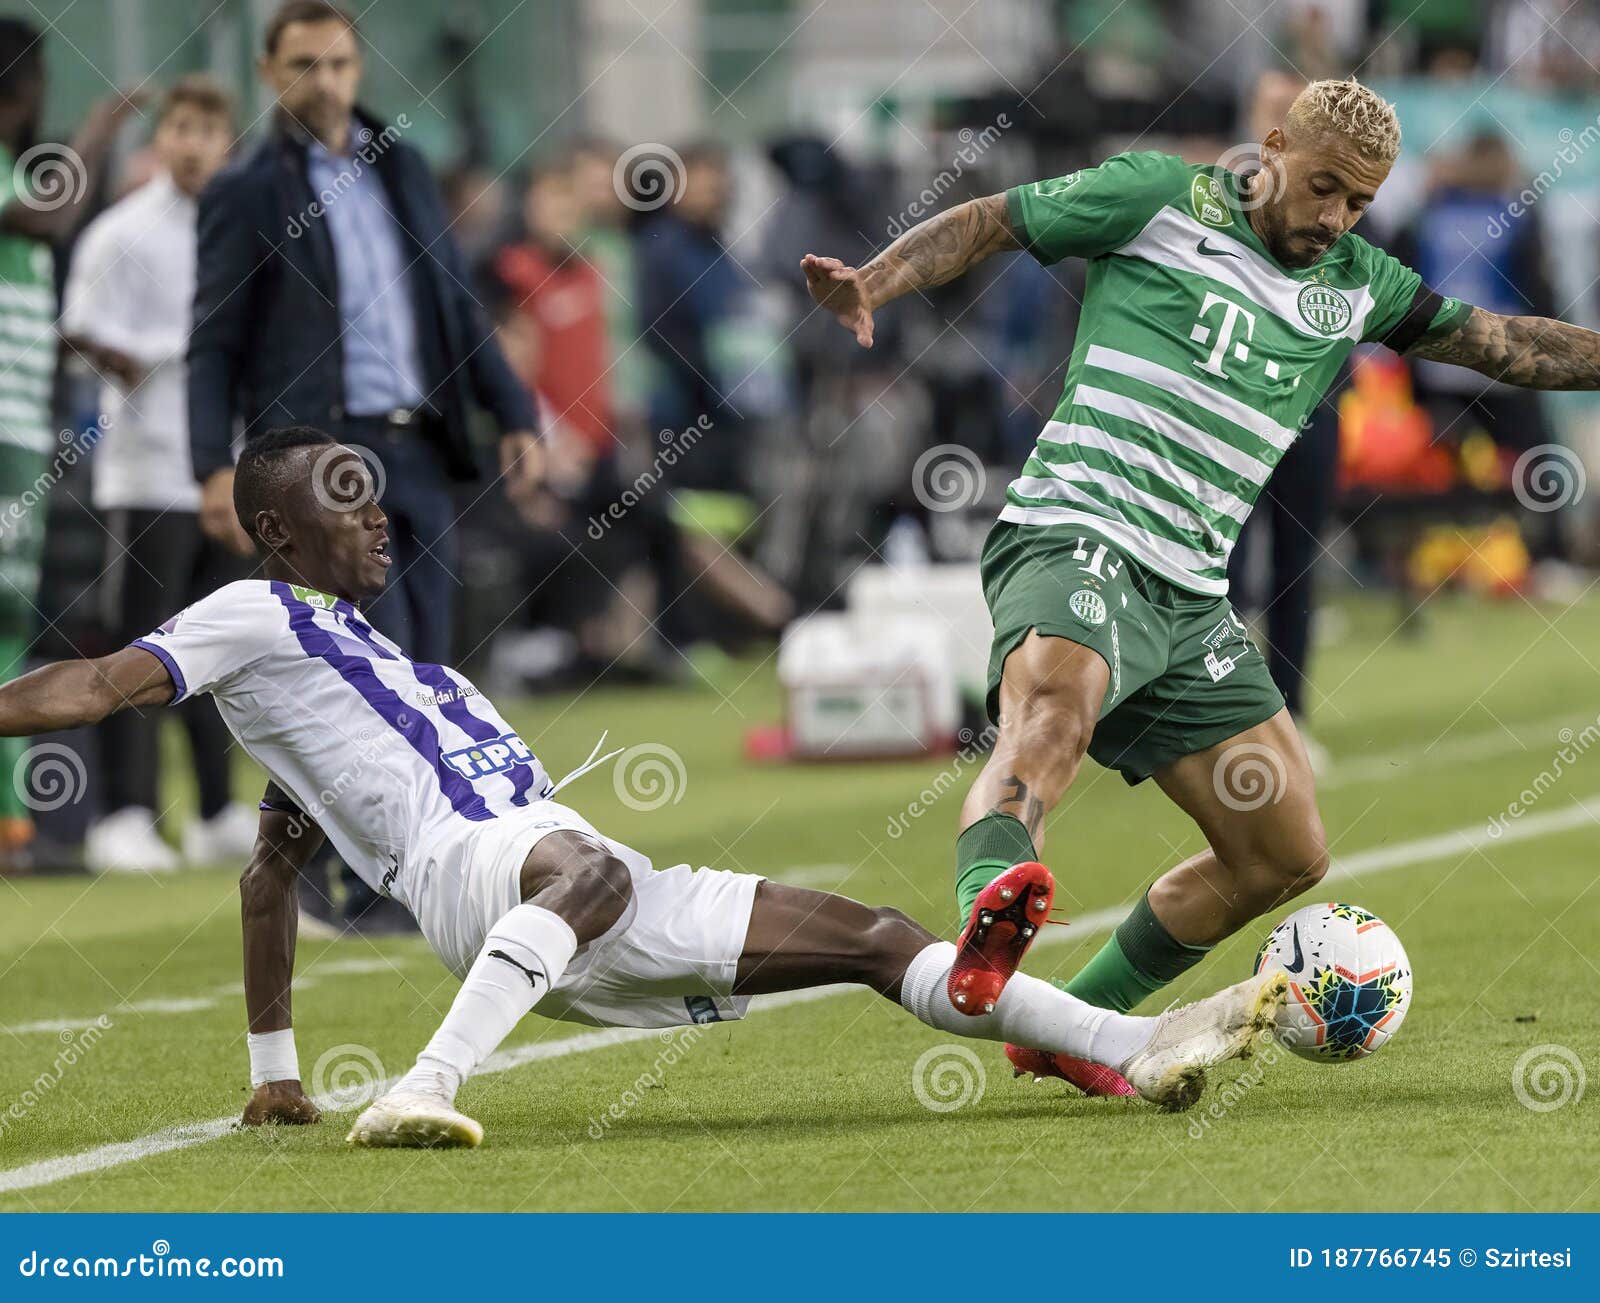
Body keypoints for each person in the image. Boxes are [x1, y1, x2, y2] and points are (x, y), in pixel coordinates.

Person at [0, 427, 1287, 1145]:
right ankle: (422, 1088)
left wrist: (274, 1066)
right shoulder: (250, 613)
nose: (379, 522)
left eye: (379, 498)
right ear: (277, 534)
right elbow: (102, 684)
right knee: (590, 866)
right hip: (494, 869)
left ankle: (1138, 1043)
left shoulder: (364, 676)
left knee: (875, 936)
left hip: (565, 888)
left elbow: (271, 867)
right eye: (347, 503)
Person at [801, 76, 1600, 1095]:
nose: (1332, 217)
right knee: (1056, 705)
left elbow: (1506, 344)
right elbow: (993, 221)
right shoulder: (1156, 199)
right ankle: (991, 901)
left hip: (1186, 594)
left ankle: (1060, 1030)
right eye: (1319, 188)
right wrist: (878, 278)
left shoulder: (1357, 285)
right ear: (1269, 147)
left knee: (1283, 851)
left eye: (1357, 202)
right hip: (1074, 532)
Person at [188, 1, 540, 929]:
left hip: (417, 441)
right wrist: (207, 469)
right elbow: (213, 343)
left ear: (360, 65)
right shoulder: (247, 187)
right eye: (304, 64)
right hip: (319, 459)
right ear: (270, 72)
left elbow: (458, 305)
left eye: (339, 63)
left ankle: (419, 873)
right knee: (347, 680)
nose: (326, 82)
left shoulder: (402, 165)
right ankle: (354, 890)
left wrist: (513, 408)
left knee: (425, 664)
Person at [61, 74, 256, 873]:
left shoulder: (246, 227)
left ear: (227, 143)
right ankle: (125, 815)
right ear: (162, 137)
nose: (191, 143)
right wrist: (129, 361)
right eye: (178, 127)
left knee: (221, 647)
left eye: (207, 130)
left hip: (227, 470)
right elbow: (79, 329)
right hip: (147, 473)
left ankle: (214, 809)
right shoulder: (121, 230)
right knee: (139, 645)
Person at [0, 18, 141, 871]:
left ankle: (14, 821)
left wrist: (85, 347)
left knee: (11, 618)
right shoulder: (23, 183)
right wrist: (97, 131)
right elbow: (44, 216)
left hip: (20, 428)